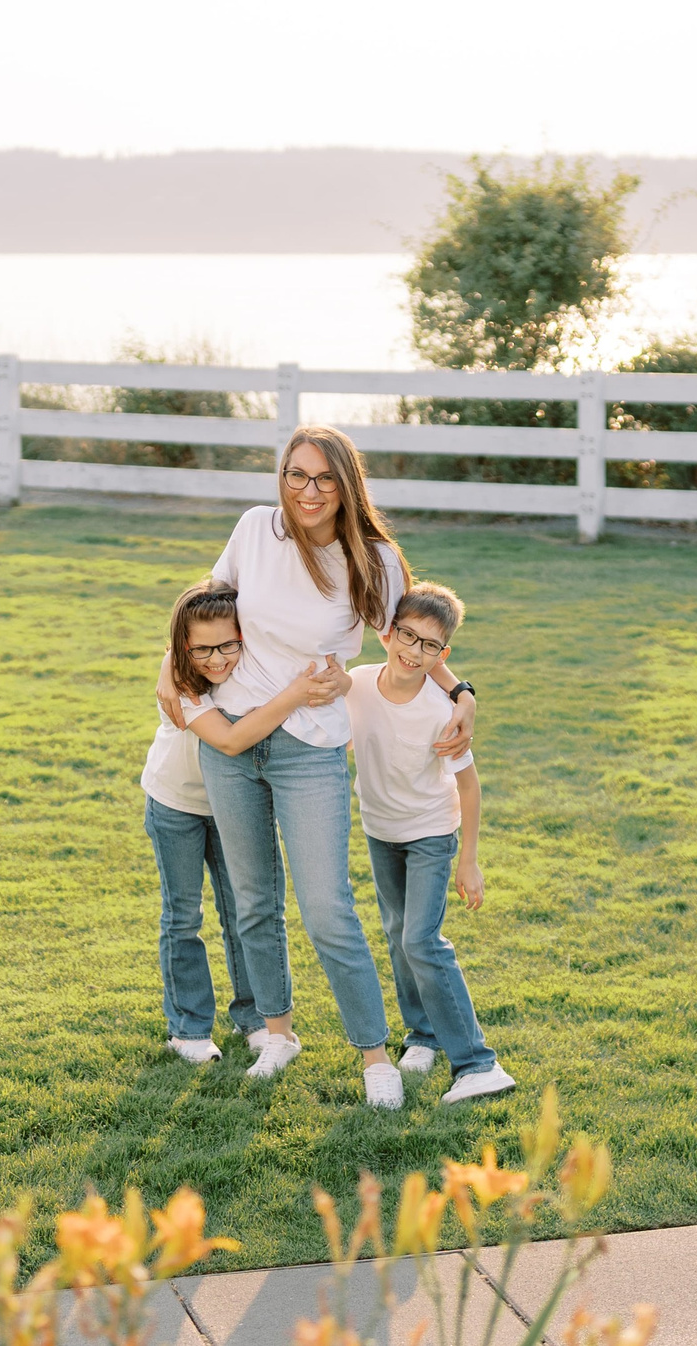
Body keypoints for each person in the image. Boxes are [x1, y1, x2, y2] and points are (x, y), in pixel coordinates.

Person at [160, 424, 477, 1111]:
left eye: (323, 478)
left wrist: (460, 692)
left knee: (329, 907)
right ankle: (277, 1034)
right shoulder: (255, 530)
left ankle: (373, 1056)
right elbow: (203, 604)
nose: (307, 491)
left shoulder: (378, 559)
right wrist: (171, 671)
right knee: (252, 900)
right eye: (295, 475)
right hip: (236, 736)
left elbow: (412, 637)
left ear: (346, 485)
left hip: (312, 745)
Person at [141, 579, 344, 1062]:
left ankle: (257, 1017)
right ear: (181, 647)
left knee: (250, 913)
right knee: (183, 915)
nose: (216, 660)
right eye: (201, 649)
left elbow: (334, 672)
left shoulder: (250, 671)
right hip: (178, 805)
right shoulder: (184, 685)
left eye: (228, 646)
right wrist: (294, 695)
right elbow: (232, 741)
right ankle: (188, 1027)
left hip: (241, 808)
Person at [349, 580, 513, 1103]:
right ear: (387, 634)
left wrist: (470, 861)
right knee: (398, 934)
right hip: (380, 829)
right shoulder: (355, 685)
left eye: (428, 646)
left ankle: (478, 1063)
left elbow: (468, 784)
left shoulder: (443, 710)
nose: (413, 651)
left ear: (444, 655)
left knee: (422, 939)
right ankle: (421, 1034)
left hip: (430, 833)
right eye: (406, 636)